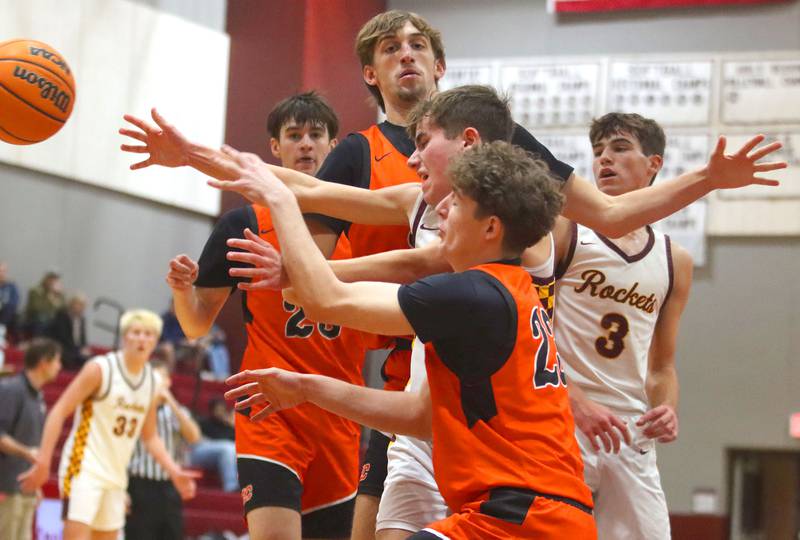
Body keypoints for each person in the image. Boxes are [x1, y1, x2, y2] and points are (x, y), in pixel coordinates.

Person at [119, 10, 784, 537]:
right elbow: (356, 235)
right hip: (447, 402)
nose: (412, 158)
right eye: (389, 48)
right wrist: (197, 158)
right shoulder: (431, 206)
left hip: (526, 480)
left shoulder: (487, 260)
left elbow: (375, 265)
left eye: (425, 143)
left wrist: (297, 257)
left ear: (466, 146)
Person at [220, 140, 597, 539]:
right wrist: (307, 387)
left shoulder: (472, 293)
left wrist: (280, 200)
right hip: (543, 516)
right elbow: (419, 417)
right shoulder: (504, 291)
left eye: (459, 201)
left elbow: (325, 298)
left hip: (520, 516)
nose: (444, 209)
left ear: (491, 227)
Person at [128, 92, 374, 540]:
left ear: (334, 147)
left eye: (315, 135)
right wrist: (183, 293)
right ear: (274, 148)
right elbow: (197, 323)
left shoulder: (365, 229)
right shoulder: (242, 224)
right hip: (268, 406)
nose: (305, 145)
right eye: (293, 136)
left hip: (337, 412)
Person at [551, 113, 693, 539]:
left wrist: (667, 408)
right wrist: (575, 401)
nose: (603, 161)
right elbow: (527, 328)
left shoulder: (674, 260)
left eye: (619, 148)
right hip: (562, 416)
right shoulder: (566, 232)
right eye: (597, 152)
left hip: (629, 428)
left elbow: (663, 367)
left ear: (654, 164)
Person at [17, 309, 198, 540]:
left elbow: (150, 437)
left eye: (148, 334)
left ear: (155, 342)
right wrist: (43, 462)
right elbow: (59, 411)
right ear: (125, 337)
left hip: (116, 476)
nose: (142, 338)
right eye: (136, 332)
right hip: (83, 468)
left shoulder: (153, 382)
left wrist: (174, 471)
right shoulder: (100, 369)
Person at [126, 357, 202, 540]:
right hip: (139, 484)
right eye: (154, 378)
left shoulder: (176, 412)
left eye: (162, 379)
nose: (158, 384)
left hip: (169, 487)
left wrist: (172, 403)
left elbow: (194, 437)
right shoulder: (133, 409)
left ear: (169, 381)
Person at [0, 338, 62, 540]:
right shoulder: (11, 390)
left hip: (25, 489)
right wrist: (27, 452)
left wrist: (36, 484)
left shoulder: (38, 397)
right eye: (57, 361)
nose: (59, 367)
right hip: (6, 487)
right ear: (44, 362)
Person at [189, 398, 238, 493]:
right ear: (212, 410)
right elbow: (195, 439)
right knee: (228, 448)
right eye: (217, 409)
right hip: (200, 453)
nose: (220, 412)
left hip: (224, 456)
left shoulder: (228, 427)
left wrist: (231, 425)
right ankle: (231, 486)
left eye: (222, 410)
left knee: (232, 448)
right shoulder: (204, 422)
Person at [47, 293, 91, 370]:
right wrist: (77, 349)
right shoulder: (62, 315)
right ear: (72, 304)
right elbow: (63, 336)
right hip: (63, 346)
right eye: (79, 304)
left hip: (76, 348)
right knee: (70, 356)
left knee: (92, 358)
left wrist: (84, 347)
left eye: (83, 305)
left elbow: (83, 338)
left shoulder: (82, 319)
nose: (81, 308)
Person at [23, 271, 65, 338]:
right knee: (43, 318)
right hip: (35, 318)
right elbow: (38, 308)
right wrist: (50, 296)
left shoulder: (59, 294)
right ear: (46, 278)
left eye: (55, 280)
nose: (52, 282)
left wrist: (55, 296)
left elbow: (64, 309)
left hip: (53, 320)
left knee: (64, 323)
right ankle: (38, 343)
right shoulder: (36, 291)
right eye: (51, 279)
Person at [0, 262, 20, 344]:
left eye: (3, 271)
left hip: (6, 311)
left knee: (10, 308)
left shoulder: (11, 285)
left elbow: (15, 300)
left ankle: (1, 330)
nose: (2, 273)